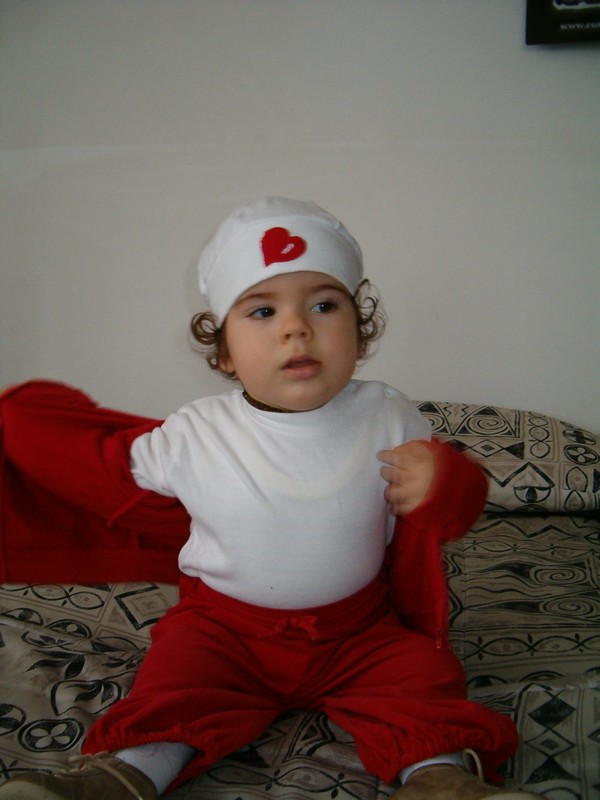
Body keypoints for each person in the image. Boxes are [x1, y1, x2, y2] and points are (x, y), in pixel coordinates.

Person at [0, 198, 543, 800]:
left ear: (359, 331)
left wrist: (442, 480)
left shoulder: (388, 413)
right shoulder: (195, 432)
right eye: (262, 310)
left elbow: (458, 507)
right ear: (225, 352)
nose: (296, 327)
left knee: (421, 677)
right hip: (224, 631)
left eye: (324, 305)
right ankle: (123, 774)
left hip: (361, 632)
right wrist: (21, 417)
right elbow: (94, 463)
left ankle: (440, 778)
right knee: (175, 683)